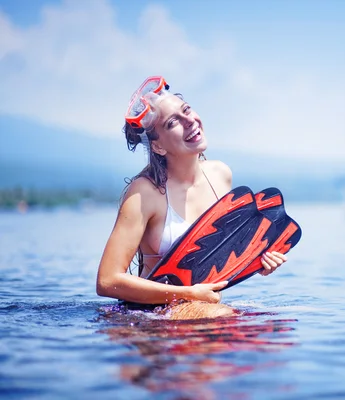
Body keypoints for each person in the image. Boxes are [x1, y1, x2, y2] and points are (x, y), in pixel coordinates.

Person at [96, 76, 288, 319]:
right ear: (158, 147)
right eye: (172, 122)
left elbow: (218, 257)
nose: (189, 121)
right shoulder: (145, 193)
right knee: (226, 317)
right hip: (151, 318)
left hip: (202, 312)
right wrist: (190, 294)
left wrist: (255, 262)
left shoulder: (220, 175)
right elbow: (107, 280)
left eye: (186, 109)